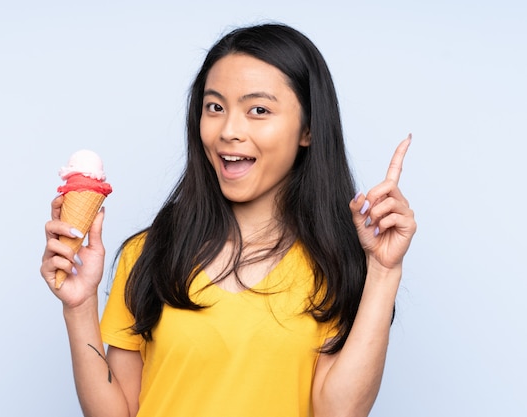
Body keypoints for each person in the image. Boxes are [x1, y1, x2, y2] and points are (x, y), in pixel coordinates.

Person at [41, 22, 416, 417]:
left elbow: (339, 412)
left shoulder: (335, 263)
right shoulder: (150, 253)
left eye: (258, 110)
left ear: (307, 128)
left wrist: (383, 270)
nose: (229, 131)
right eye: (215, 107)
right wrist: (79, 306)